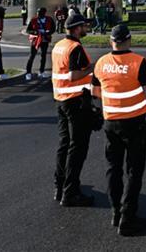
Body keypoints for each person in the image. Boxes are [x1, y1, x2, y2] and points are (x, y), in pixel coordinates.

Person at [92, 24, 146, 236]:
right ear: (129, 40)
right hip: (135, 124)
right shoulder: (139, 62)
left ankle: (116, 212)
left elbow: (96, 92)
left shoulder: (101, 63)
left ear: (111, 41)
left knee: (113, 169)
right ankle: (128, 218)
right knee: (134, 170)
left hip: (111, 123)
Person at [51, 13, 95, 207]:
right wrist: (92, 68)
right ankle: (70, 193)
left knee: (64, 145)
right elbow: (73, 75)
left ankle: (59, 186)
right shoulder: (75, 47)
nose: (86, 28)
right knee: (77, 148)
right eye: (84, 26)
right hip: (75, 102)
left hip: (61, 100)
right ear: (77, 28)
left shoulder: (59, 45)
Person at [25, 7, 55, 80]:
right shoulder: (33, 20)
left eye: (40, 13)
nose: (38, 14)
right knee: (32, 56)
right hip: (36, 40)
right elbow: (28, 30)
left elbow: (53, 28)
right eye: (38, 12)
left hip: (45, 40)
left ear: (44, 13)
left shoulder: (49, 19)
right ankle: (28, 73)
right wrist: (35, 32)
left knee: (43, 56)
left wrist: (49, 32)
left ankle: (41, 71)